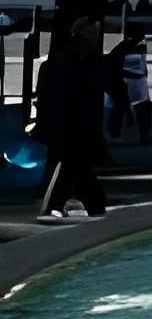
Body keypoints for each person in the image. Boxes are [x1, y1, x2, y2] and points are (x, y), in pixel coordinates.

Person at [35, 17, 113, 219]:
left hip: (69, 126)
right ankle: (92, 205)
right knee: (76, 168)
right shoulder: (81, 64)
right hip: (73, 126)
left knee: (72, 168)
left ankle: (59, 204)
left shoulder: (63, 62)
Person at [107, 27, 151, 143]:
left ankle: (115, 132)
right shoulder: (131, 47)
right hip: (121, 80)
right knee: (135, 106)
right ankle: (139, 133)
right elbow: (137, 69)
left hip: (119, 79)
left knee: (122, 106)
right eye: (142, 36)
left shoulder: (126, 46)